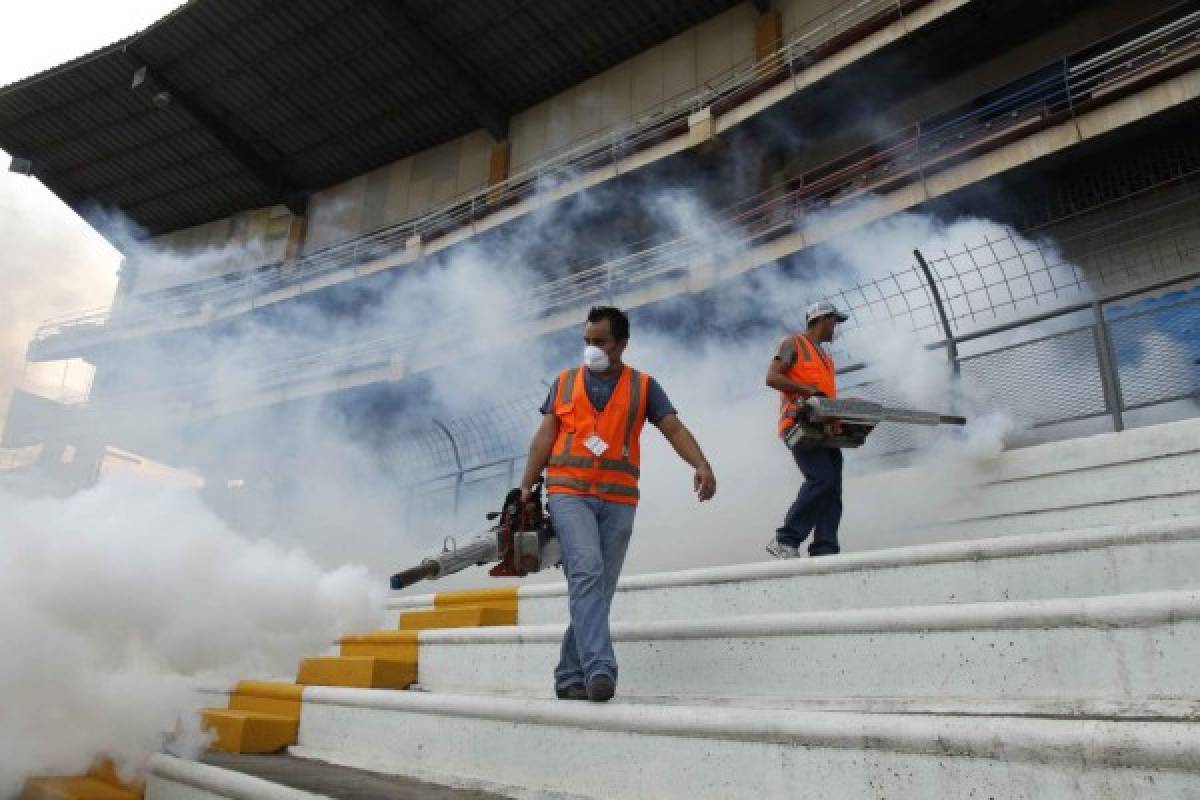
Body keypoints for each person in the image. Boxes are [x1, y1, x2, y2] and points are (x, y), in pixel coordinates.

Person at [518, 306, 716, 703]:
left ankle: (568, 675)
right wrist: (525, 487)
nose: (591, 349)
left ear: (622, 344)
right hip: (568, 490)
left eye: (600, 342)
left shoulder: (644, 387)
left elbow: (672, 427)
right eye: (587, 341)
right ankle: (600, 670)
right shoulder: (564, 382)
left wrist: (700, 463)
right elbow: (545, 436)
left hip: (619, 497)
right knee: (587, 570)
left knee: (599, 586)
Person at [765, 301, 848, 559]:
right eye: (834, 321)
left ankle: (825, 548)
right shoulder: (793, 344)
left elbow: (825, 397)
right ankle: (785, 539)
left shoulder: (826, 358)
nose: (836, 327)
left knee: (832, 488)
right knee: (821, 479)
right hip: (799, 428)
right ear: (821, 320)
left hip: (823, 430)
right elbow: (772, 377)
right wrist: (808, 391)